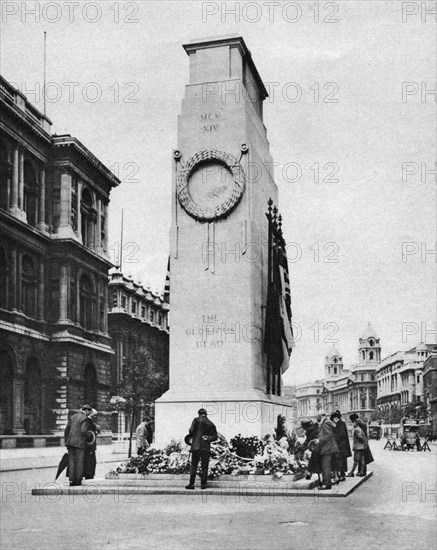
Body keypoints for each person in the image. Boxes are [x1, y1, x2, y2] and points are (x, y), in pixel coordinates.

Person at [185, 408, 218, 490]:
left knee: (194, 466)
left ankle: (191, 484)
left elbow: (191, 430)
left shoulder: (196, 420)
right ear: (206, 414)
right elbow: (215, 436)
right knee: (205, 466)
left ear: (199, 414)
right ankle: (203, 484)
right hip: (205, 447)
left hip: (196, 446)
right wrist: (208, 438)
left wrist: (195, 435)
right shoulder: (211, 423)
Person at [64, 404, 93, 486]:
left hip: (70, 443)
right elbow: (83, 431)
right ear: (86, 411)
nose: (89, 414)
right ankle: (78, 480)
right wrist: (89, 435)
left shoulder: (73, 417)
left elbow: (66, 430)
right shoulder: (84, 418)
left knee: (71, 461)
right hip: (80, 443)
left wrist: (67, 442)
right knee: (79, 461)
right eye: (89, 412)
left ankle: (71, 480)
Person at [314, 412, 339, 490]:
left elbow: (328, 435)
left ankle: (327, 484)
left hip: (327, 449)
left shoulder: (325, 424)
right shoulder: (326, 423)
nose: (316, 417)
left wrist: (319, 440)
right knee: (326, 466)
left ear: (321, 416)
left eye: (317, 416)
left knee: (326, 467)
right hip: (328, 448)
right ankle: (326, 482)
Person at [332, 410, 351, 482]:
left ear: (336, 417)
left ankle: (342, 475)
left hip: (342, 446)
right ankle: (341, 475)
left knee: (341, 461)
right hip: (342, 445)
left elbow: (340, 435)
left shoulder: (340, 424)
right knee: (341, 461)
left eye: (334, 418)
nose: (333, 420)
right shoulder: (341, 423)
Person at [84, 408, 100, 480]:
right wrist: (95, 432)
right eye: (94, 415)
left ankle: (89, 474)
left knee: (90, 461)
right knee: (91, 461)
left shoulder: (89, 421)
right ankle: (89, 474)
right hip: (90, 445)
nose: (95, 417)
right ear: (92, 414)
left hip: (90, 445)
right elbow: (89, 434)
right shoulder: (88, 421)